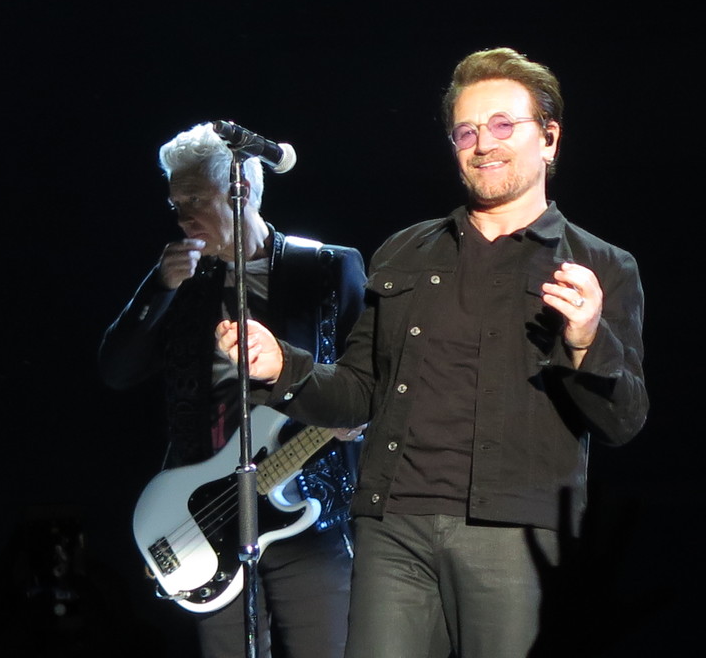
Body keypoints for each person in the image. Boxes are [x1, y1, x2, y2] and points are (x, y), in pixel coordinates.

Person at [216, 47, 649, 658]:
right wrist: (283, 367)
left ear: (549, 139)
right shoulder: (405, 252)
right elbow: (359, 391)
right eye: (466, 131)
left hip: (515, 535)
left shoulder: (601, 265)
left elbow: (623, 421)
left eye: (504, 125)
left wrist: (585, 340)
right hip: (393, 528)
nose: (484, 143)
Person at [98, 121, 368, 658]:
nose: (183, 216)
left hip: (308, 500)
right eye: (176, 203)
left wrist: (355, 415)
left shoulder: (325, 267)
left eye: (196, 199)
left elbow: (370, 371)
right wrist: (158, 287)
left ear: (240, 189)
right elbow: (117, 370)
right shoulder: (182, 283)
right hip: (208, 510)